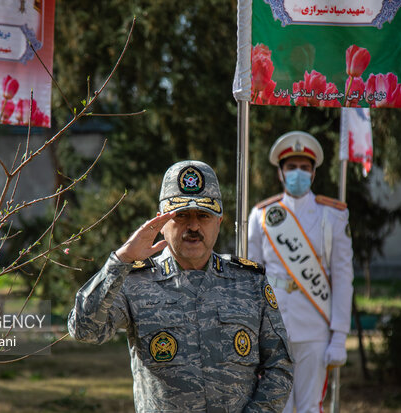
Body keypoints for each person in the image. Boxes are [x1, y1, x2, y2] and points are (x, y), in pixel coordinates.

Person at [68, 160, 293, 412]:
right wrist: (121, 260)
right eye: (182, 215)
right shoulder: (135, 282)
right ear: (161, 223)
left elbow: (279, 365)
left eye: (204, 216)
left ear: (219, 222)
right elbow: (83, 329)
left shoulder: (249, 283)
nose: (194, 226)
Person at [247, 131, 354, 413]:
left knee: (310, 407)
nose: (298, 173)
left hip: (315, 325)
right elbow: (252, 280)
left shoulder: (333, 215)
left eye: (304, 168)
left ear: (314, 173)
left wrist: (340, 335)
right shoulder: (261, 215)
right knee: (275, 406)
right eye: (291, 167)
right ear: (281, 173)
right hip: (273, 325)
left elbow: (343, 278)